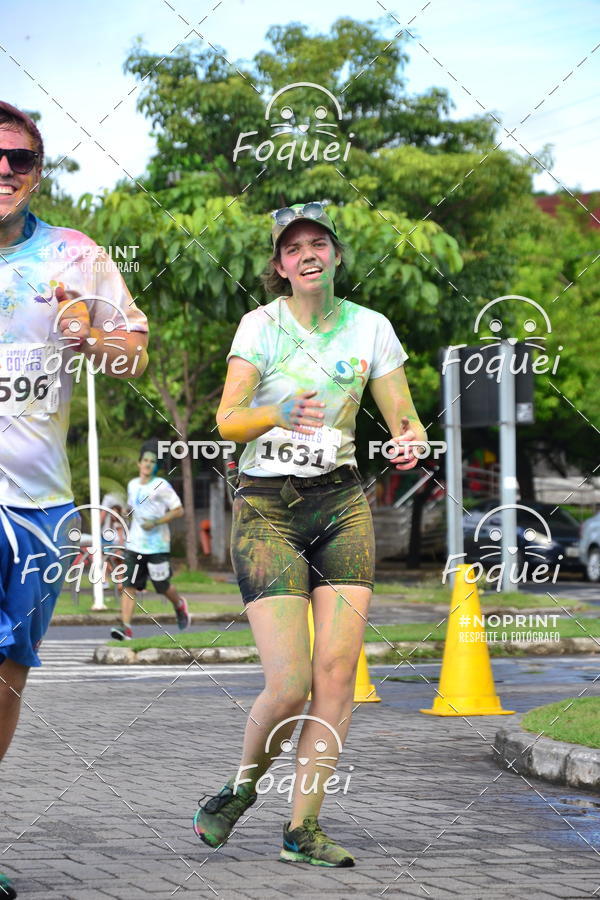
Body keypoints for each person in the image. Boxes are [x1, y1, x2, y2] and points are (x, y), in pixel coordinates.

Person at [193, 202, 427, 867]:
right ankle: (241, 789)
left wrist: (409, 440)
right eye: (293, 249)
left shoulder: (371, 328)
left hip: (343, 505)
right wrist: (278, 412)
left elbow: (402, 416)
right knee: (290, 682)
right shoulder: (259, 327)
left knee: (336, 677)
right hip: (268, 507)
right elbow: (228, 419)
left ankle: (304, 829)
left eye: (318, 243)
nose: (308, 254)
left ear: (337, 255)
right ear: (279, 267)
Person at [0, 101, 149, 900]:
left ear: (37, 170)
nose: (2, 171)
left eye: (17, 160)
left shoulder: (77, 255)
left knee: (8, 673)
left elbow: (134, 357)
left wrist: (91, 337)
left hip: (41, 506)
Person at [111, 440, 191, 640]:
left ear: (155, 466)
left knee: (161, 585)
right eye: (145, 460)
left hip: (157, 546)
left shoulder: (161, 486)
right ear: (139, 463)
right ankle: (126, 628)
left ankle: (179, 605)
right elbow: (132, 509)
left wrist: (157, 521)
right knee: (128, 584)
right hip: (135, 545)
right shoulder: (132, 485)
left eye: (152, 461)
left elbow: (178, 510)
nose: (147, 464)